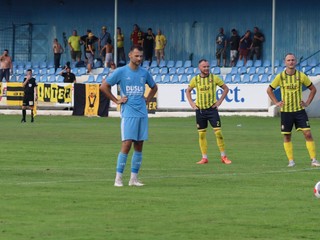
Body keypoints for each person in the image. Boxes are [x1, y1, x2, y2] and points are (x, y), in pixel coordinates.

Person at [100, 45, 158, 187]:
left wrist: (147, 99)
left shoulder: (144, 73)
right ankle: (118, 178)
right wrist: (116, 100)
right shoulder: (120, 72)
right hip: (129, 113)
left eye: (141, 56)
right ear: (130, 55)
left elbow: (154, 87)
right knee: (126, 144)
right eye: (137, 56)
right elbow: (103, 86)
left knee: (139, 145)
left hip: (142, 113)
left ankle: (134, 179)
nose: (139, 58)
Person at [267, 53, 320, 167]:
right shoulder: (280, 77)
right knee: (287, 136)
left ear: (295, 62)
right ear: (285, 62)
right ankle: (291, 161)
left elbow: (313, 89)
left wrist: (307, 103)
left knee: (308, 134)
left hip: (299, 111)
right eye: (288, 60)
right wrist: (276, 102)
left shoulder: (301, 76)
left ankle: (314, 160)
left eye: (292, 60)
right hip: (286, 112)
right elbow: (269, 90)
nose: (291, 62)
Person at [185, 59, 232, 165]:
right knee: (201, 135)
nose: (206, 68)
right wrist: (192, 104)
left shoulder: (214, 78)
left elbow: (226, 89)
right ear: (199, 68)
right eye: (204, 67)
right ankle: (204, 158)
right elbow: (187, 91)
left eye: (207, 66)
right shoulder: (195, 79)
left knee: (218, 133)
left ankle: (224, 156)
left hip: (212, 110)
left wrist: (219, 101)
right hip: (200, 111)